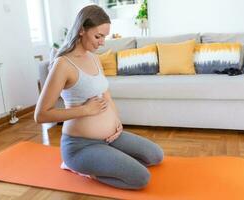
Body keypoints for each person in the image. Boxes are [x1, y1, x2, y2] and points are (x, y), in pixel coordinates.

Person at [34, 5, 164, 190]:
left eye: (105, 36)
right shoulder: (63, 64)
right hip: (81, 146)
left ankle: (106, 156)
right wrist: (85, 110)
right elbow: (41, 115)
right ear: (81, 30)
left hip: (111, 137)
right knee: (141, 178)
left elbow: (105, 94)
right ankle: (81, 168)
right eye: (98, 36)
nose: (102, 42)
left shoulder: (94, 58)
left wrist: (116, 120)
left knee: (155, 156)